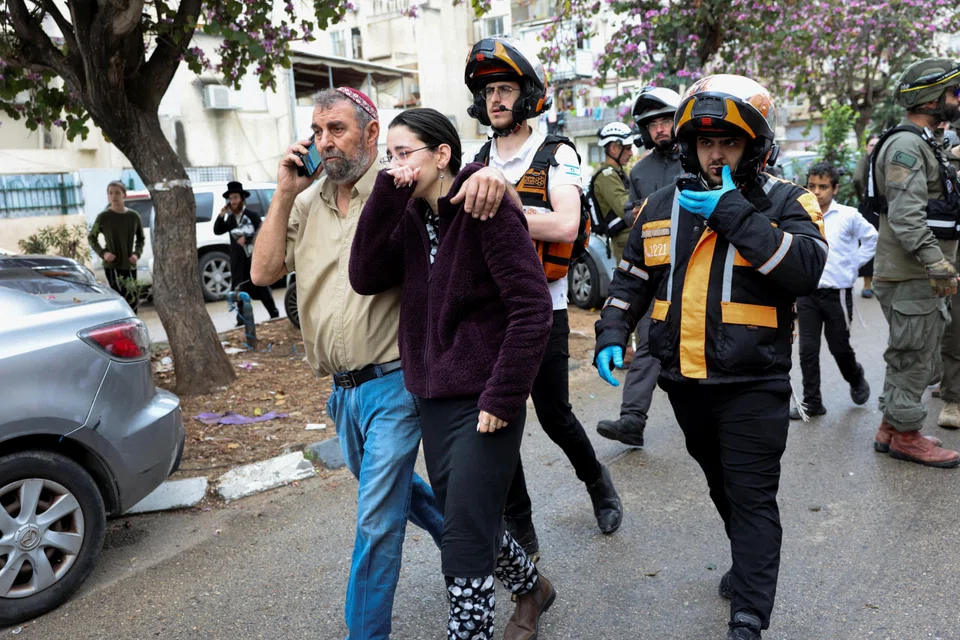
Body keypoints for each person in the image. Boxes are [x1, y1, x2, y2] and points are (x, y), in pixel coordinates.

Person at [250, 87, 509, 640]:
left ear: (372, 133)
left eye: (337, 129)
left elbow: (461, 190)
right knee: (406, 497)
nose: (325, 143)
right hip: (342, 392)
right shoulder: (304, 203)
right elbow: (262, 273)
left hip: (397, 379)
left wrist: (495, 177)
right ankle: (513, 566)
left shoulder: (403, 187)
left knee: (376, 521)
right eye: (318, 132)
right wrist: (282, 191)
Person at [595, 75, 827, 639]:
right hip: (684, 382)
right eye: (705, 142)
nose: (715, 153)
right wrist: (611, 328)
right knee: (721, 484)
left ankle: (748, 616)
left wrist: (731, 212)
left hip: (755, 383)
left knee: (751, 497)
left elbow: (804, 271)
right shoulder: (660, 203)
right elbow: (633, 277)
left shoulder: (785, 199)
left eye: (729, 142)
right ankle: (746, 561)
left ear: (754, 146)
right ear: (688, 145)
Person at [350, 107, 556, 640]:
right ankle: (532, 588)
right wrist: (387, 194)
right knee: (471, 519)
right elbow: (365, 274)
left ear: (442, 155)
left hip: (488, 398)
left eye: (404, 153)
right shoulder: (411, 218)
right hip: (433, 394)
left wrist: (503, 395)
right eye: (388, 155)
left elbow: (532, 308)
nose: (393, 165)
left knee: (462, 535)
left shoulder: (483, 206)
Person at [465, 37, 623, 557]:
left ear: (527, 94)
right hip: (490, 313)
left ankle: (597, 480)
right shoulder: (476, 156)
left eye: (505, 88)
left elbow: (567, 222)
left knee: (554, 414)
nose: (496, 99)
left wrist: (507, 201)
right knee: (499, 420)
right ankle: (522, 528)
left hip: (544, 308)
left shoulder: (557, 152)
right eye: (489, 90)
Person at [868, 58, 960, 467]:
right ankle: (906, 436)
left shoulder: (921, 141)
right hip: (913, 273)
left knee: (909, 352)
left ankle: (891, 427)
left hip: (914, 272)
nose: (957, 100)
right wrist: (935, 261)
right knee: (915, 356)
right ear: (932, 97)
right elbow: (906, 216)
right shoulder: (907, 145)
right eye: (954, 92)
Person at [595, 86, 685, 447]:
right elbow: (633, 214)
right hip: (656, 271)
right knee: (647, 342)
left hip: (701, 271)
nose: (660, 129)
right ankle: (632, 419)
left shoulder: (700, 157)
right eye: (653, 125)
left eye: (666, 120)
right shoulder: (641, 170)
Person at [789, 162, 876, 420]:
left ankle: (855, 376)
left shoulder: (848, 216)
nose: (817, 192)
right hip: (808, 292)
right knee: (807, 350)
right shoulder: (799, 214)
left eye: (823, 187)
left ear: (835, 189)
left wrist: (853, 264)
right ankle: (812, 402)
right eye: (812, 186)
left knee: (840, 347)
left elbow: (872, 238)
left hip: (837, 293)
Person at [213, 181, 279, 325]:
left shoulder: (252, 215)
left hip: (252, 259)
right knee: (239, 289)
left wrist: (248, 238)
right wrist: (221, 215)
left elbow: (262, 233)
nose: (233, 201)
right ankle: (241, 320)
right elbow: (217, 231)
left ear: (242, 199)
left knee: (261, 287)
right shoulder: (230, 219)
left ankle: (274, 313)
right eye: (231, 199)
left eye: (236, 198)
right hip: (237, 261)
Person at [88, 180, 145, 312]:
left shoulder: (133, 216)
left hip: (129, 264)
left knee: (132, 298)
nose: (114, 196)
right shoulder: (103, 217)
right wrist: (104, 253)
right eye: (110, 193)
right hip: (112, 265)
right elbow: (92, 237)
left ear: (124, 195)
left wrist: (136, 254)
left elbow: (141, 239)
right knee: (118, 298)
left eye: (117, 193)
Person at [589, 122, 634, 252]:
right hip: (625, 240)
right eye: (628, 148)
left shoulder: (616, 173)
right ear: (614, 148)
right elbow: (625, 208)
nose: (631, 153)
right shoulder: (606, 176)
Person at [854, 134, 881, 298]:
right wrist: (863, 198)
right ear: (866, 147)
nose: (874, 147)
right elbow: (857, 178)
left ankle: (871, 284)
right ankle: (867, 284)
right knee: (869, 242)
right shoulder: (866, 161)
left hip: (878, 208)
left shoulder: (877, 160)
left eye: (876, 145)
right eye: (871, 145)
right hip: (870, 208)